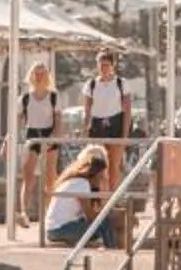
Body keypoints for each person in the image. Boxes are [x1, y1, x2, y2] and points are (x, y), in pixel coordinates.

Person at [15, 62, 62, 226]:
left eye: (42, 74)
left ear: (47, 76)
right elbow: (17, 122)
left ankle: (48, 214)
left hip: (49, 134)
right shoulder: (25, 98)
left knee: (50, 177)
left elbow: (58, 121)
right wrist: (9, 139)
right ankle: (24, 212)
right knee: (28, 176)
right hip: (32, 134)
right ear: (31, 76)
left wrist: (55, 138)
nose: (39, 77)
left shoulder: (54, 96)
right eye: (36, 74)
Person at [43, 145, 113, 248]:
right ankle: (112, 249)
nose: (101, 179)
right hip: (58, 230)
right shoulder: (81, 184)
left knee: (104, 221)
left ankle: (110, 245)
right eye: (100, 176)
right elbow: (90, 216)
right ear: (93, 174)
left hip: (56, 227)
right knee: (105, 223)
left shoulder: (77, 181)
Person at [82, 51, 133, 140]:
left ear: (112, 65)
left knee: (115, 153)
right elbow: (87, 111)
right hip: (96, 126)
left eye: (107, 65)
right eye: (101, 65)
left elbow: (127, 111)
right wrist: (85, 132)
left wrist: (125, 135)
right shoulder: (91, 84)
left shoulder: (121, 83)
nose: (104, 68)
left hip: (116, 125)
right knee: (97, 153)